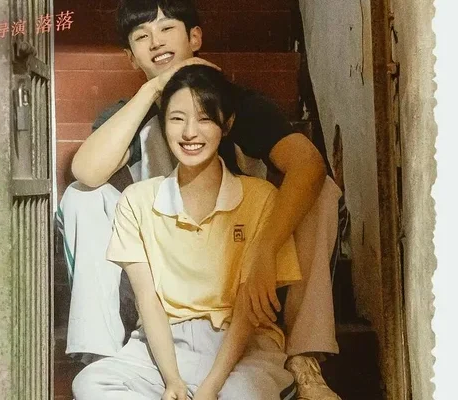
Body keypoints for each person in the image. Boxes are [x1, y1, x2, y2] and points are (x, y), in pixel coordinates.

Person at [58, 1, 343, 398]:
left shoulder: (236, 105)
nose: (156, 42)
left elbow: (308, 164)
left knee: (319, 190)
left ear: (194, 37)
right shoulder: (132, 113)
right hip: (158, 276)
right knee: (82, 196)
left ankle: (303, 354)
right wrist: (153, 89)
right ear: (130, 57)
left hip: (246, 267)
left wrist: (265, 249)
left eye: (166, 29)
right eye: (141, 36)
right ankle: (103, 351)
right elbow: (87, 171)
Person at [73, 64, 301, 400]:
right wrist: (173, 381)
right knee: (91, 384)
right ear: (163, 125)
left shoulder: (260, 198)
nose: (190, 132)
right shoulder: (137, 200)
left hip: (242, 345)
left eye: (204, 118)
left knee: (243, 393)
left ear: (227, 125)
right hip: (161, 346)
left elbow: (247, 308)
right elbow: (148, 300)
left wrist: (210, 387)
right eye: (177, 119)